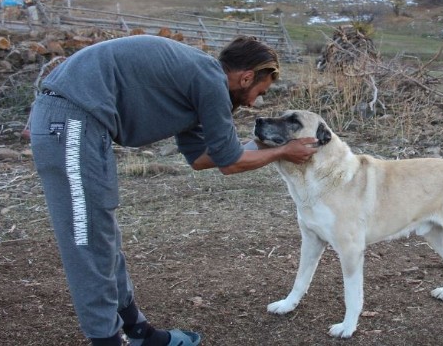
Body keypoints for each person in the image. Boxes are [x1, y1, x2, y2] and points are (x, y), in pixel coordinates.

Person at [29, 34, 318, 346]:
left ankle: (138, 331)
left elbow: (200, 158)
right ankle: (106, 340)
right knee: (86, 239)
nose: (252, 103)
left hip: (81, 121)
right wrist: (283, 152)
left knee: (102, 232)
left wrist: (268, 144)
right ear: (246, 77)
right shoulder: (209, 79)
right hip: (71, 120)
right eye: (257, 93)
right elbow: (230, 163)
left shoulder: (196, 82)